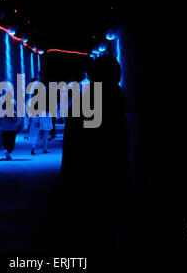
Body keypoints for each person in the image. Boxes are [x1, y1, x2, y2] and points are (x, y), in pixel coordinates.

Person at [50, 55, 129, 253]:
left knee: (87, 229)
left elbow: (72, 142)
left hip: (83, 174)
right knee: (106, 227)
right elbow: (120, 141)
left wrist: (66, 177)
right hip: (109, 173)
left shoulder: (85, 100)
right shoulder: (118, 98)